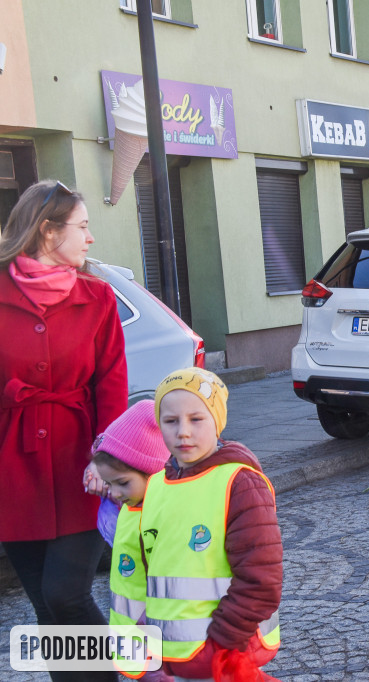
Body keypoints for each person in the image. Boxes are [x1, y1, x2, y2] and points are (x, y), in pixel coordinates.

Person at [0, 180, 128, 682]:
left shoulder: (98, 297)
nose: (90, 238)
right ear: (48, 231)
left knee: (66, 594)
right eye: (82, 226)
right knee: (47, 613)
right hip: (14, 473)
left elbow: (112, 387)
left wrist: (107, 462)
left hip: (83, 472)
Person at [144, 368, 282, 680]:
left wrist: (221, 641)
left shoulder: (239, 482)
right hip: (175, 656)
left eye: (196, 419)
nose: (182, 431)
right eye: (170, 421)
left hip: (222, 653)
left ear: (216, 421)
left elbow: (262, 576)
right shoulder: (156, 486)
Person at [89, 400, 170, 681]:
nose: (113, 492)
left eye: (122, 483)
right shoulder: (127, 510)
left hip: (168, 637)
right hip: (142, 638)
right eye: (109, 484)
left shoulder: (167, 516)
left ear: (154, 472)